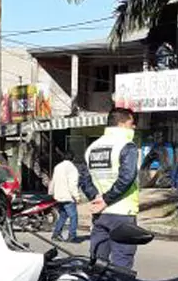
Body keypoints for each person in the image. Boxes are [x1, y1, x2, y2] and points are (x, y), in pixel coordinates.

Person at [79, 107, 142, 270]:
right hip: (122, 213)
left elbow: (84, 178)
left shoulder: (92, 147)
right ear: (122, 124)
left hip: (100, 213)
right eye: (131, 123)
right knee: (121, 267)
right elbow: (127, 177)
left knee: (98, 263)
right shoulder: (127, 145)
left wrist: (96, 198)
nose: (133, 127)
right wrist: (106, 200)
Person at [49, 150, 83, 243]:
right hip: (68, 196)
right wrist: (77, 197)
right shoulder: (72, 168)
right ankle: (72, 235)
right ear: (73, 158)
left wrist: (51, 192)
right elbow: (73, 184)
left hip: (58, 196)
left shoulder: (57, 167)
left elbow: (53, 180)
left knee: (63, 215)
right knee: (73, 216)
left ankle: (56, 234)